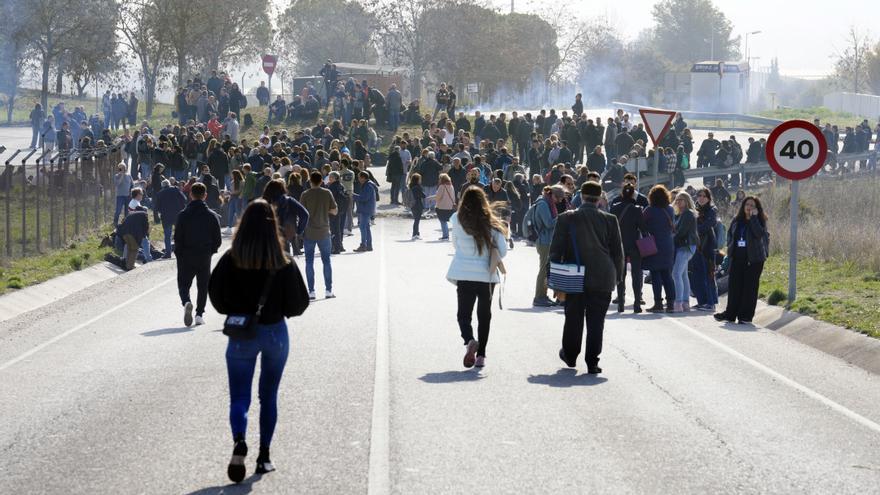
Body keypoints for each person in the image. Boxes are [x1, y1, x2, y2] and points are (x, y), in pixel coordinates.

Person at [208, 199, 310, 483]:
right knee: (269, 396)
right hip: (275, 331)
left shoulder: (231, 258)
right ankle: (264, 456)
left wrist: (235, 309)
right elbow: (299, 303)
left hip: (243, 333)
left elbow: (215, 294)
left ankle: (239, 438)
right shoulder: (283, 260)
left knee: (240, 397)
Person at [552, 181, 624, 374]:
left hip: (574, 275)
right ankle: (592, 361)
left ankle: (570, 354)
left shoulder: (566, 218)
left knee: (573, 318)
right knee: (596, 322)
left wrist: (553, 278)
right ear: (600, 197)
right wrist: (617, 277)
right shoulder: (610, 220)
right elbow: (618, 253)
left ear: (581, 196)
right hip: (603, 276)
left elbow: (555, 250)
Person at [446, 187, 508, 368]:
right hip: (486, 276)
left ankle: (469, 340)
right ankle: (481, 356)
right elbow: (502, 251)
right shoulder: (492, 222)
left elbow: (455, 245)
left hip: (464, 273)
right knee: (484, 315)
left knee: (463, 314)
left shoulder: (456, 219)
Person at [715, 196, 769, 324]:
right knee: (734, 288)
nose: (749, 207)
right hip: (737, 258)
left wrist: (754, 218)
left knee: (749, 289)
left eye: (752, 205)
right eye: (747, 205)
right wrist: (731, 249)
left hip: (754, 260)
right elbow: (730, 235)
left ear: (757, 208)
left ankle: (745, 316)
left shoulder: (760, 220)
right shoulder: (737, 220)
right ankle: (730, 314)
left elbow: (759, 234)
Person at [175, 182, 222, 327]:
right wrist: (211, 250)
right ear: (205, 195)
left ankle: (186, 302)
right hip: (204, 254)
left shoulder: (182, 215)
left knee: (183, 284)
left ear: (190, 194)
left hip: (186, 254)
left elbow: (177, 238)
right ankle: (199, 314)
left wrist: (179, 253)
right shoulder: (212, 215)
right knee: (203, 286)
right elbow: (218, 239)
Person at [299, 171, 337, 299]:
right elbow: (334, 211)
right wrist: (324, 209)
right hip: (324, 230)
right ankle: (328, 290)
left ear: (310, 181)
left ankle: (311, 291)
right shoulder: (327, 193)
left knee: (309, 261)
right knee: (326, 261)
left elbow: (301, 213)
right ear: (321, 181)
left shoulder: (305, 194)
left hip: (309, 231)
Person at [609, 184, 647, 313]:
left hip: (619, 245)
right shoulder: (637, 209)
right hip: (634, 245)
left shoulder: (614, 208)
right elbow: (643, 229)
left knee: (621, 275)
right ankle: (637, 303)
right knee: (636, 274)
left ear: (622, 194)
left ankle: (621, 303)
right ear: (633, 195)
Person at [642, 185, 676, 313]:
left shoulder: (649, 210)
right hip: (668, 244)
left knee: (655, 274)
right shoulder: (670, 209)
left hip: (654, 244)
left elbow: (641, 223)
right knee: (667, 274)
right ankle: (671, 303)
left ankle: (658, 303)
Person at [532, 185, 565, 307]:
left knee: (546, 270)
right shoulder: (543, 204)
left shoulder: (547, 202)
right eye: (559, 198)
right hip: (543, 241)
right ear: (553, 195)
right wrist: (561, 217)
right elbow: (548, 223)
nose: (560, 201)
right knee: (543, 270)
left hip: (546, 240)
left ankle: (543, 295)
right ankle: (539, 297)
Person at [691, 187, 719, 311]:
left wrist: (694, 230)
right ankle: (701, 301)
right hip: (696, 245)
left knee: (709, 274)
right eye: (699, 196)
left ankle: (711, 302)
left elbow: (709, 224)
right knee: (697, 274)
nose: (701, 198)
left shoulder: (712, 210)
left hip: (707, 246)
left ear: (708, 198)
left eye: (704, 196)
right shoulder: (694, 209)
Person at [671, 191, 699, 313]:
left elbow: (681, 232)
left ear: (687, 201)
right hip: (686, 246)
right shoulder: (682, 214)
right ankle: (685, 303)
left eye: (681, 200)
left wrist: (670, 240)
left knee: (676, 274)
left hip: (686, 246)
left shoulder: (688, 214)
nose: (678, 202)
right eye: (677, 200)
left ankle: (678, 303)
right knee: (683, 275)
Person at [116, 189, 151, 271]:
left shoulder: (135, 204)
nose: (142, 195)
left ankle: (126, 262)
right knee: (135, 248)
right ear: (137, 194)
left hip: (125, 230)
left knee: (129, 247)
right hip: (134, 232)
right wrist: (146, 234)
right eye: (141, 194)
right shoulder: (135, 204)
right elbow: (144, 227)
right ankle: (130, 266)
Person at [154, 179, 187, 258]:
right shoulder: (176, 190)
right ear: (169, 184)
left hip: (166, 217)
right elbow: (184, 199)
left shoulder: (160, 193)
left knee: (167, 235)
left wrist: (157, 217)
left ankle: (168, 253)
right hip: (177, 215)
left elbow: (157, 207)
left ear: (162, 186)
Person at [352, 171, 378, 251]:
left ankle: (363, 245)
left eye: (359, 177)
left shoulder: (368, 186)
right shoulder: (368, 185)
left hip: (366, 209)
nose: (358, 179)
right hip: (367, 209)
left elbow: (364, 198)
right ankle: (368, 245)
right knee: (366, 227)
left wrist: (353, 195)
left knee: (363, 227)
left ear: (363, 178)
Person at [408, 173, 425, 240]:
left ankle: (417, 233)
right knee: (417, 220)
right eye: (420, 179)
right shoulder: (418, 187)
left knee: (416, 219)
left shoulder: (411, 186)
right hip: (418, 205)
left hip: (412, 205)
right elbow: (423, 195)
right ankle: (414, 234)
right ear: (417, 180)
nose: (421, 180)